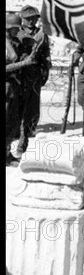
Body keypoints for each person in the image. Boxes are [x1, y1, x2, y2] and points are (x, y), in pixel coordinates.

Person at [15, 5, 51, 156]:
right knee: (16, 109)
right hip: (18, 76)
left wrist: (46, 70)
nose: (31, 21)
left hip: (34, 75)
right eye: (27, 18)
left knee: (32, 109)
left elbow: (46, 54)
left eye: (33, 18)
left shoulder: (42, 34)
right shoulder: (15, 32)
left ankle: (24, 143)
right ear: (22, 19)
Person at [6, 14, 36, 165]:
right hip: (6, 87)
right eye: (15, 29)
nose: (17, 32)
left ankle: (7, 153)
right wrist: (24, 63)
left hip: (13, 87)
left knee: (12, 122)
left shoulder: (12, 42)